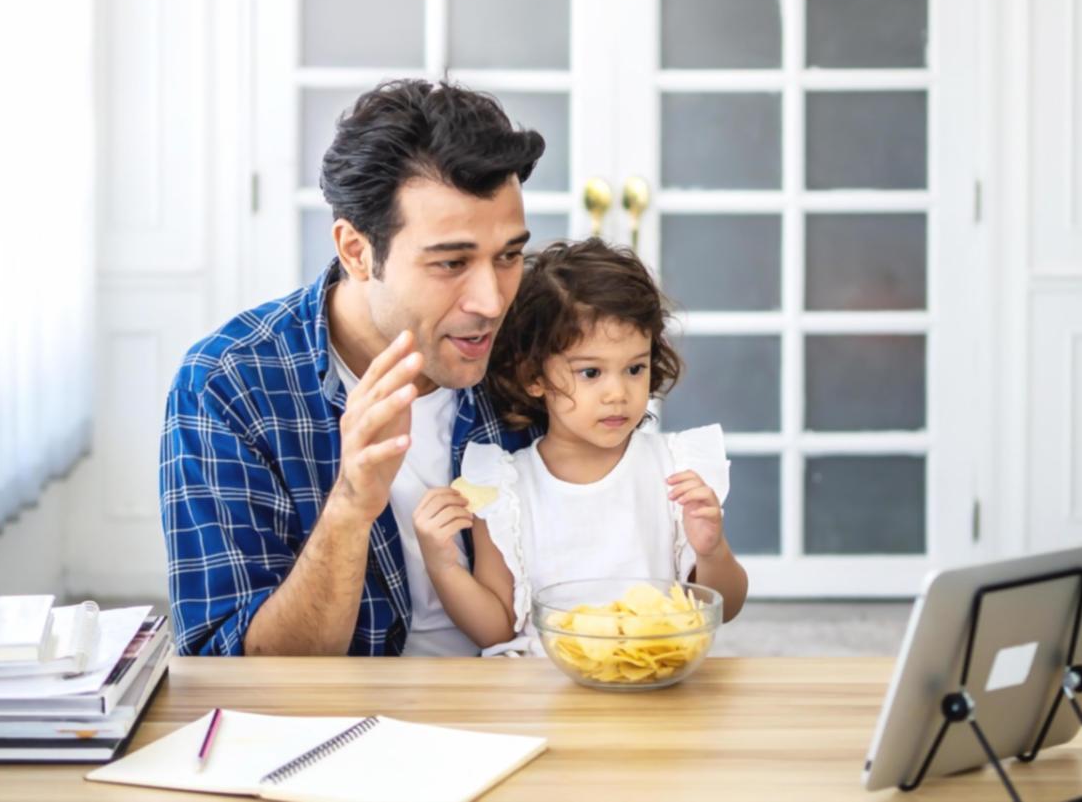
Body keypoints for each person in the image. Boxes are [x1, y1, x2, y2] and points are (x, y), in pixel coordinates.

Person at [159, 79, 545, 656]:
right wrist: (350, 506)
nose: (491, 302)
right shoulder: (230, 384)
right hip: (342, 730)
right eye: (451, 263)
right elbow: (233, 671)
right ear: (357, 251)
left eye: (509, 256)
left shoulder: (544, 347)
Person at [413, 239, 749, 655]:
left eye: (634, 368)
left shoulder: (675, 471)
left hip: (652, 679)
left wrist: (712, 550)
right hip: (544, 694)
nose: (617, 393)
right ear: (534, 377)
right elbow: (495, 630)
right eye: (591, 372)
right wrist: (442, 565)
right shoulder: (505, 489)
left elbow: (726, 607)